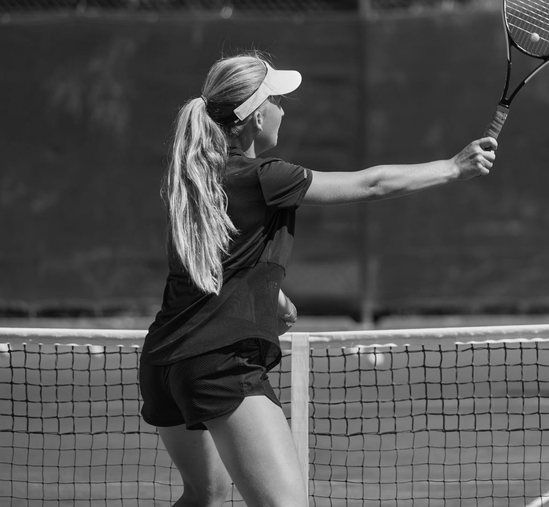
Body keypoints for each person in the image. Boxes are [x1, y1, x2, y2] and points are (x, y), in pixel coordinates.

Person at [138, 51, 497, 507]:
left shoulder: (200, 180)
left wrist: (273, 299)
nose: (283, 111)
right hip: (219, 364)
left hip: (163, 364)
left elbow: (216, 264)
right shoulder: (266, 176)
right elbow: (371, 184)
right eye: (277, 101)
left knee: (205, 494)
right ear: (255, 116)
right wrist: (453, 167)